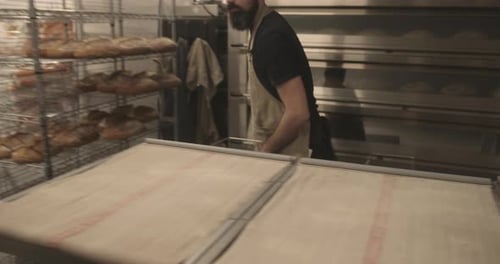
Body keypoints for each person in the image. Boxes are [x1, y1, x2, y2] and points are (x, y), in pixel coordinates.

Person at [227, 0, 335, 160]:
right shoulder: (261, 29)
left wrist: (265, 150)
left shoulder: (271, 38)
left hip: (299, 157)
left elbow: (297, 114)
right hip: (286, 155)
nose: (230, 2)